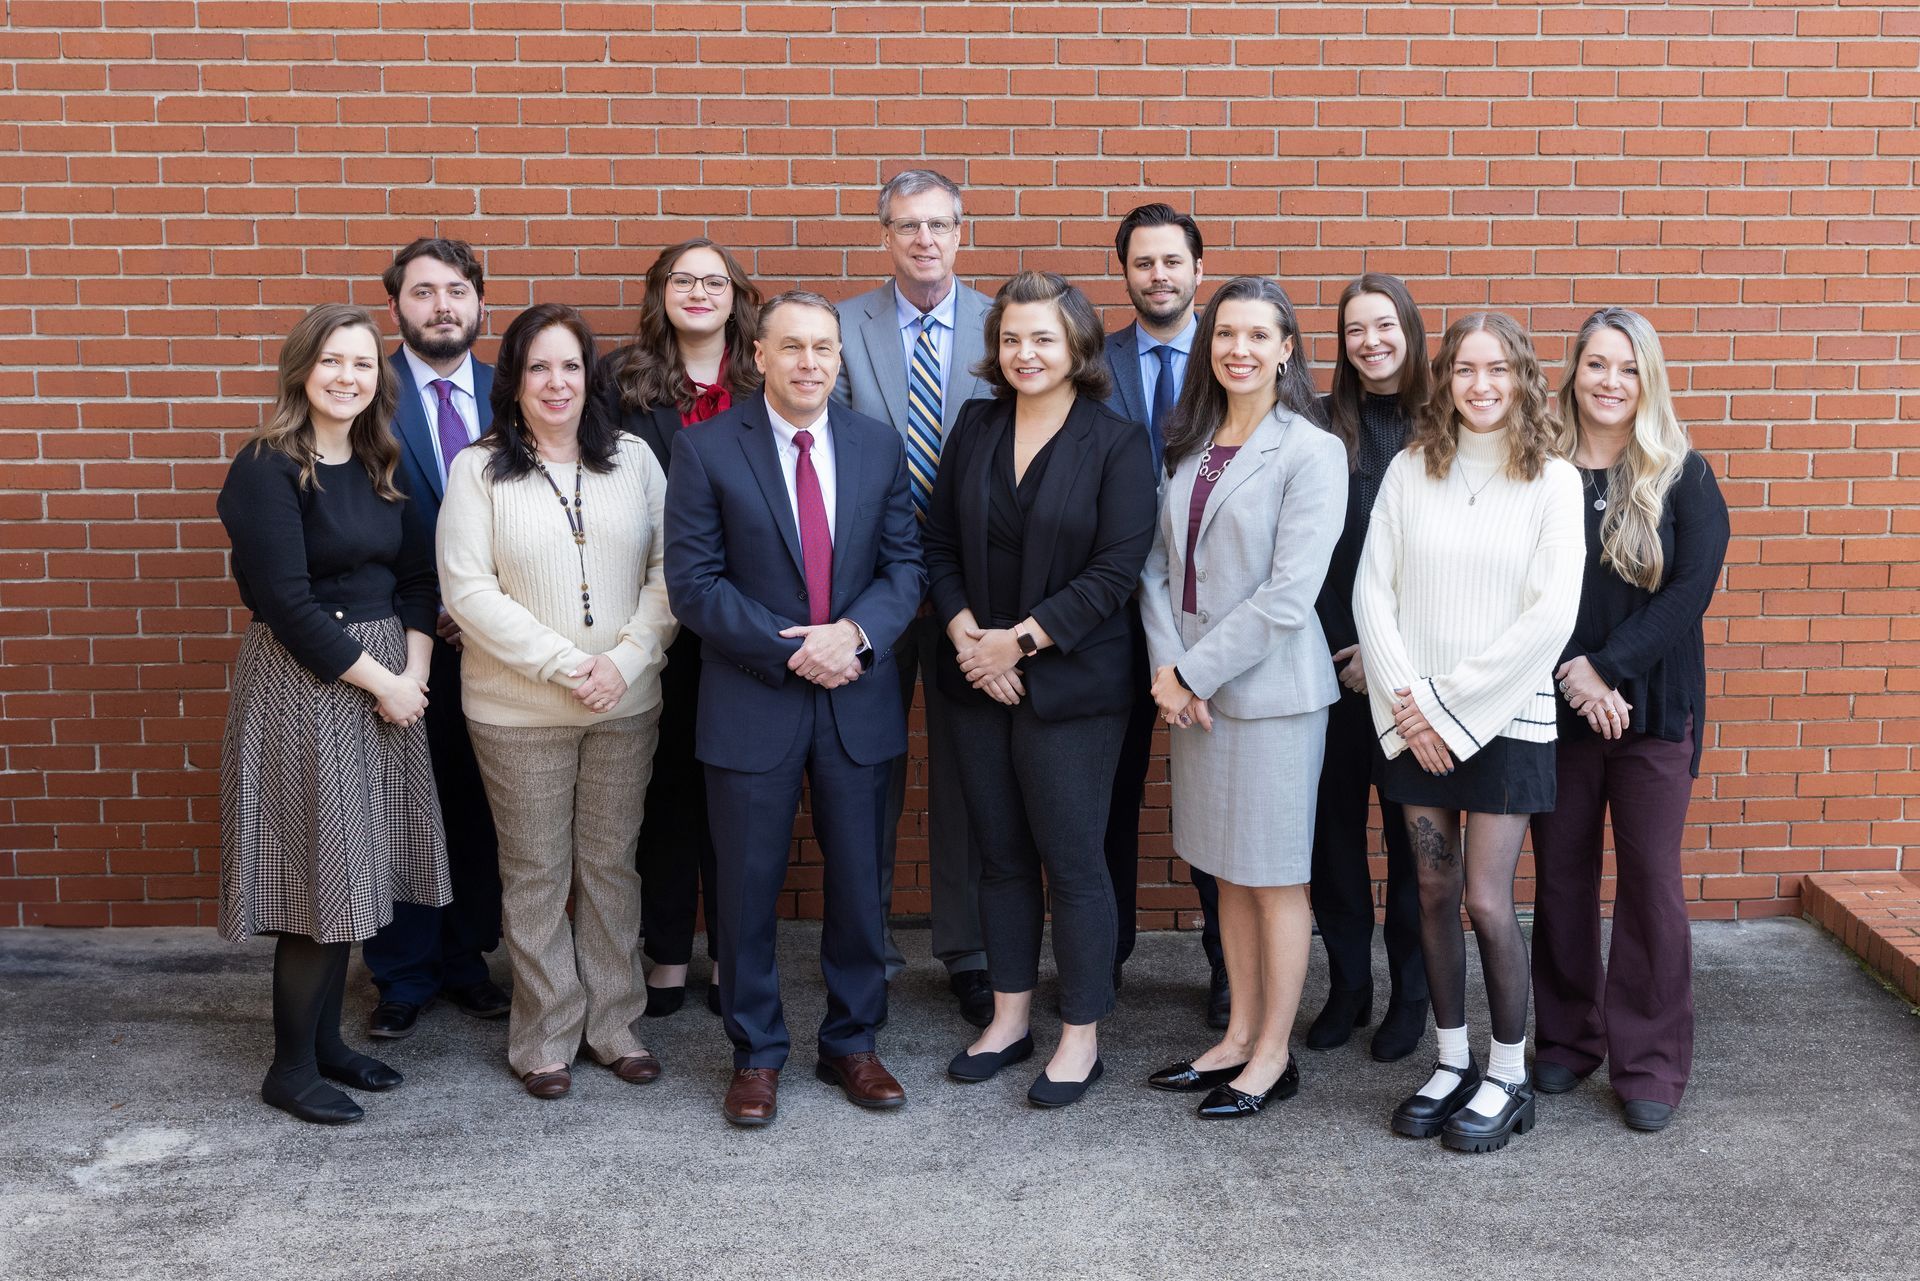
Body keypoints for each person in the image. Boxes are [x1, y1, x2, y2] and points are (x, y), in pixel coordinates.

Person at [666, 291, 925, 1128]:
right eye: (793, 347)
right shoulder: (706, 449)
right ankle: (756, 1053)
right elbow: (694, 585)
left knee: (859, 882)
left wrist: (851, 635)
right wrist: (795, 649)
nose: (810, 362)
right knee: (745, 889)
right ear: (761, 356)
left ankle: (853, 1041)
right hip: (753, 698)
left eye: (824, 348)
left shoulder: (878, 448)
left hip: (858, 694)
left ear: (840, 359)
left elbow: (904, 569)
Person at [924, 271, 1158, 1107]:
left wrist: (1017, 640)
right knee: (1000, 857)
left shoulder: (1117, 441)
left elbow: (1116, 569)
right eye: (1012, 338)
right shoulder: (976, 424)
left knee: (1074, 861)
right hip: (977, 682)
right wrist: (966, 638)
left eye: (1043, 338)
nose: (1025, 353)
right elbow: (939, 541)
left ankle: (1081, 1034)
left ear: (1079, 347)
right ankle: (1010, 1017)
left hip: (1074, 689)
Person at [216, 302, 452, 1125]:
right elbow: (285, 600)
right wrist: (380, 682)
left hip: (390, 680)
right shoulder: (266, 467)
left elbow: (420, 579)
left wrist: (413, 672)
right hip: (308, 683)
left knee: (355, 867)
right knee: (323, 870)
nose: (347, 377)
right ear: (300, 370)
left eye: (361, 363)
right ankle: (289, 1066)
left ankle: (326, 1048)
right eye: (331, 361)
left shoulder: (383, 460)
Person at [1353, 312, 1583, 1153]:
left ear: (1522, 378)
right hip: (1415, 728)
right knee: (1433, 894)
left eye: (1498, 369)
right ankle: (1450, 1060)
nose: (1480, 385)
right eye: (1463, 370)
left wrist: (1449, 709)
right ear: (1443, 381)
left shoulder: (1552, 480)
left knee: (1486, 901)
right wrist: (1411, 710)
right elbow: (1373, 593)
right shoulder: (1413, 470)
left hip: (1507, 723)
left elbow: (1548, 617)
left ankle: (1509, 1074)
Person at [437, 303, 678, 1100]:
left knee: (611, 867)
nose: (556, 381)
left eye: (570, 365)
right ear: (514, 379)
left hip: (626, 703)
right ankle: (544, 1035)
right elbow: (467, 591)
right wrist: (569, 663)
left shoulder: (635, 459)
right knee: (536, 872)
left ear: (591, 375)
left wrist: (628, 659)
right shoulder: (479, 470)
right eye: (539, 366)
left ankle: (613, 1024)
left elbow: (671, 572)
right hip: (517, 713)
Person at [1139, 277, 1347, 1119]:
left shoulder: (1310, 450)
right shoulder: (1191, 442)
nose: (1240, 350)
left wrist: (1193, 673)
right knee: (1225, 874)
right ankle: (1232, 1038)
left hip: (1270, 698)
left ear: (1287, 348)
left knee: (1273, 880)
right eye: (1226, 334)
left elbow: (1289, 595)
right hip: (1192, 696)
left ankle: (1272, 1053)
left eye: (1260, 336)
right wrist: (1168, 669)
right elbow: (1157, 569)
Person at [1530, 307, 1729, 1133]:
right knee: (1563, 880)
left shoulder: (1685, 473)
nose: (1611, 382)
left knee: (1651, 885)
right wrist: (1578, 675)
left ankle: (1649, 1062)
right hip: (1559, 706)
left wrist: (1607, 669)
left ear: (1648, 379)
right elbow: (1526, 586)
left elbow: (1689, 593)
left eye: (1628, 368)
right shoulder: (1536, 470)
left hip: (1653, 709)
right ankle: (1570, 1038)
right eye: (1597, 365)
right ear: (1573, 372)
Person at [832, 169, 997, 1027]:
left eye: (939, 225)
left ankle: (967, 950)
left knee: (968, 773)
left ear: (961, 231)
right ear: (884, 234)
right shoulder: (843, 327)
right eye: (908, 226)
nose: (925, 240)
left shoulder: (1001, 326)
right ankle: (869, 946)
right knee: (869, 767)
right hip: (872, 585)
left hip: (974, 590)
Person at [598, 238, 764, 1018]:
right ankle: (666, 952)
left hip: (750, 616)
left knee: (740, 796)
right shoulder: (622, 382)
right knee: (662, 794)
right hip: (654, 617)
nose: (698, 291)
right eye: (681, 280)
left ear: (737, 294)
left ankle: (733, 954)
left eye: (714, 280)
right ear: (659, 293)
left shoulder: (768, 377)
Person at [362, 237, 509, 1042]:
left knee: (479, 803)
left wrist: (486, 609)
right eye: (423, 292)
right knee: (402, 805)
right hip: (395, 644)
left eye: (456, 290)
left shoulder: (511, 393)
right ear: (397, 307)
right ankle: (402, 973)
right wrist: (425, 611)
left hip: (498, 642)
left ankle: (466, 959)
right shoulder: (362, 390)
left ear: (480, 302)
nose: (442, 306)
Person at [1099, 202, 1229, 1027]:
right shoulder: (1093, 358)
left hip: (1206, 616)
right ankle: (1101, 959)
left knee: (1216, 791)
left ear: (1196, 271)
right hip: (1107, 609)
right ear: (1126, 274)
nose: (1158, 276)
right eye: (1143, 263)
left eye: (1172, 262)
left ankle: (1227, 960)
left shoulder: (1232, 353)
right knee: (1108, 795)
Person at [1304, 273, 1433, 1063]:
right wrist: (1336, 646)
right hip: (1325, 668)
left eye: (1384, 325)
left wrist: (1383, 653)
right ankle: (1347, 984)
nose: (1371, 341)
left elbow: (1451, 564)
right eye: (1355, 329)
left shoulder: (1445, 425)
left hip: (1411, 673)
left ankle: (1412, 992)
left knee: (1413, 841)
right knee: (1332, 841)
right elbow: (1306, 550)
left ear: (1410, 331)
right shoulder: (1320, 426)